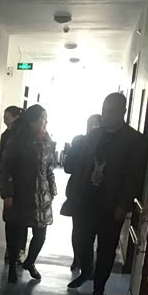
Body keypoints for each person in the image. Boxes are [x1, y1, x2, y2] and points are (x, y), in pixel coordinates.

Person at [67, 93, 148, 295]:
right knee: (81, 240)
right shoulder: (92, 136)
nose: (105, 115)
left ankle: (99, 288)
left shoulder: (135, 140)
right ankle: (86, 270)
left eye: (111, 111)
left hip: (112, 205)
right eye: (104, 110)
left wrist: (124, 204)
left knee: (106, 248)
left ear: (123, 112)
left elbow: (134, 176)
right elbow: (80, 166)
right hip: (86, 201)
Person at [0, 104, 57, 284]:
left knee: (41, 233)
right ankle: (12, 267)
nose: (45, 122)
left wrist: (52, 190)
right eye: (42, 119)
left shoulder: (47, 141)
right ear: (32, 121)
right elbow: (5, 169)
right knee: (16, 233)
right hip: (20, 193)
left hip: (42, 194)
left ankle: (30, 262)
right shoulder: (17, 140)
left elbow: (49, 168)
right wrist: (7, 193)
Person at [62, 114, 102, 271]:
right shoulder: (79, 143)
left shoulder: (107, 145)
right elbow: (68, 167)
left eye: (96, 124)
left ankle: (88, 262)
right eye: (90, 124)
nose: (92, 128)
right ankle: (77, 258)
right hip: (78, 193)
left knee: (93, 231)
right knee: (78, 229)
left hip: (98, 196)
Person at [0, 106, 25, 264]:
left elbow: (6, 165)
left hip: (16, 185)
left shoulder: (18, 134)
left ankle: (15, 250)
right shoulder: (8, 134)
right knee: (14, 219)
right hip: (13, 185)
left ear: (16, 117)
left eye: (7, 116)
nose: (4, 119)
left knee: (15, 219)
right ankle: (14, 249)